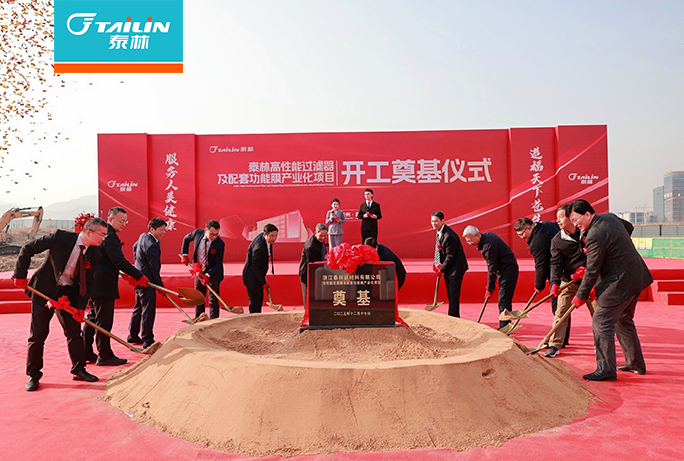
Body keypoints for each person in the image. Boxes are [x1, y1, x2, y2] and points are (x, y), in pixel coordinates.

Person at [13, 217, 108, 391]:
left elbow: (87, 283)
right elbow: (28, 248)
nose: (104, 238)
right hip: (44, 290)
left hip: (68, 294)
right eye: (102, 234)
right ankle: (33, 375)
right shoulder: (60, 237)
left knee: (74, 333)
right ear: (89, 232)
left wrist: (80, 307)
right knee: (38, 334)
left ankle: (79, 369)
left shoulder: (95, 254)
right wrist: (20, 274)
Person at [569, 199, 652, 381]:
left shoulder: (594, 235)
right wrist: (617, 246)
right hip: (636, 276)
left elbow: (592, 270)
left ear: (587, 214)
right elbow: (629, 227)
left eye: (576, 219)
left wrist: (580, 295)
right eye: (572, 221)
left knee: (601, 321)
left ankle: (605, 369)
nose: (575, 224)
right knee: (624, 320)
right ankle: (635, 363)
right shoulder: (610, 217)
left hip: (620, 283)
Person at [83, 207, 147, 367]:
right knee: (103, 321)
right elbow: (119, 260)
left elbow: (109, 261)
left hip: (94, 282)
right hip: (103, 284)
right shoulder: (110, 237)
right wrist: (138, 276)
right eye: (121, 221)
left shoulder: (105, 235)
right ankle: (104, 355)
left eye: (126, 221)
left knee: (93, 318)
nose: (124, 224)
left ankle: (85, 351)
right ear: (110, 219)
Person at [546, 204, 596, 358]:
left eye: (561, 217)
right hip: (569, 281)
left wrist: (587, 268)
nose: (558, 221)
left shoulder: (587, 232)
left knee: (598, 313)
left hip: (591, 281)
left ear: (571, 217)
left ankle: (601, 345)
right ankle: (554, 345)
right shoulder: (557, 240)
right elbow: (555, 263)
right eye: (557, 218)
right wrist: (554, 282)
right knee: (561, 312)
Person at [514, 217, 569, 344]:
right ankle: (562, 338)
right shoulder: (546, 224)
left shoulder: (537, 243)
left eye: (522, 234)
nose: (521, 237)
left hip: (559, 273)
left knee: (558, 308)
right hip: (563, 267)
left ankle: (558, 339)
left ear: (529, 228)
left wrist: (539, 285)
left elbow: (540, 266)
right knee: (562, 307)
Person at [462, 226, 518, 329]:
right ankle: (506, 325)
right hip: (503, 270)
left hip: (508, 271)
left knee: (504, 300)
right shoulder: (486, 237)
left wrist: (489, 288)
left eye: (470, 240)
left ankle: (505, 327)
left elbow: (492, 267)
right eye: (467, 241)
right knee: (504, 300)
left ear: (477, 235)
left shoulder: (488, 246)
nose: (469, 243)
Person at [128, 218, 166, 349]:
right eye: (161, 230)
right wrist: (160, 286)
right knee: (148, 311)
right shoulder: (152, 246)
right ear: (152, 229)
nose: (163, 233)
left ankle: (132, 335)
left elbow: (134, 247)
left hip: (139, 278)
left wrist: (137, 268)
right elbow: (154, 269)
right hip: (147, 282)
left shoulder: (143, 236)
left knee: (139, 307)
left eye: (164, 230)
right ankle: (147, 339)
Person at [181, 220, 225, 319]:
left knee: (213, 299)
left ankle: (214, 321)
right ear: (206, 230)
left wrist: (208, 274)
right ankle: (199, 318)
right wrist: (184, 254)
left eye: (217, 234)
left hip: (213, 272)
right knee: (199, 297)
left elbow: (218, 264)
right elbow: (186, 239)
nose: (214, 237)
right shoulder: (198, 233)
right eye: (212, 234)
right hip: (199, 269)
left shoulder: (219, 243)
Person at [430, 211, 469, 317]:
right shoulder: (439, 232)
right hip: (449, 267)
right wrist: (437, 264)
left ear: (442, 221)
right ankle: (453, 316)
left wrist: (441, 269)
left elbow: (450, 256)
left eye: (436, 221)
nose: (434, 224)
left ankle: (454, 318)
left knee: (453, 295)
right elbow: (440, 250)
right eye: (432, 221)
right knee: (450, 294)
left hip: (456, 268)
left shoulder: (449, 236)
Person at [242, 223, 278, 313]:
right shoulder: (259, 248)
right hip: (252, 278)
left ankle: (257, 316)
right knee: (255, 301)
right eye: (272, 236)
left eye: (276, 235)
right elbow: (255, 267)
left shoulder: (264, 238)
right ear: (265, 234)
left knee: (259, 298)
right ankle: (254, 318)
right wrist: (263, 282)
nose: (274, 238)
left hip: (257, 275)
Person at [299, 223, 328, 307]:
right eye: (321, 235)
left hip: (318, 271)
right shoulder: (311, 246)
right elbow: (312, 265)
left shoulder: (320, 241)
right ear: (316, 233)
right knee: (309, 297)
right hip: (308, 273)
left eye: (325, 236)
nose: (323, 238)